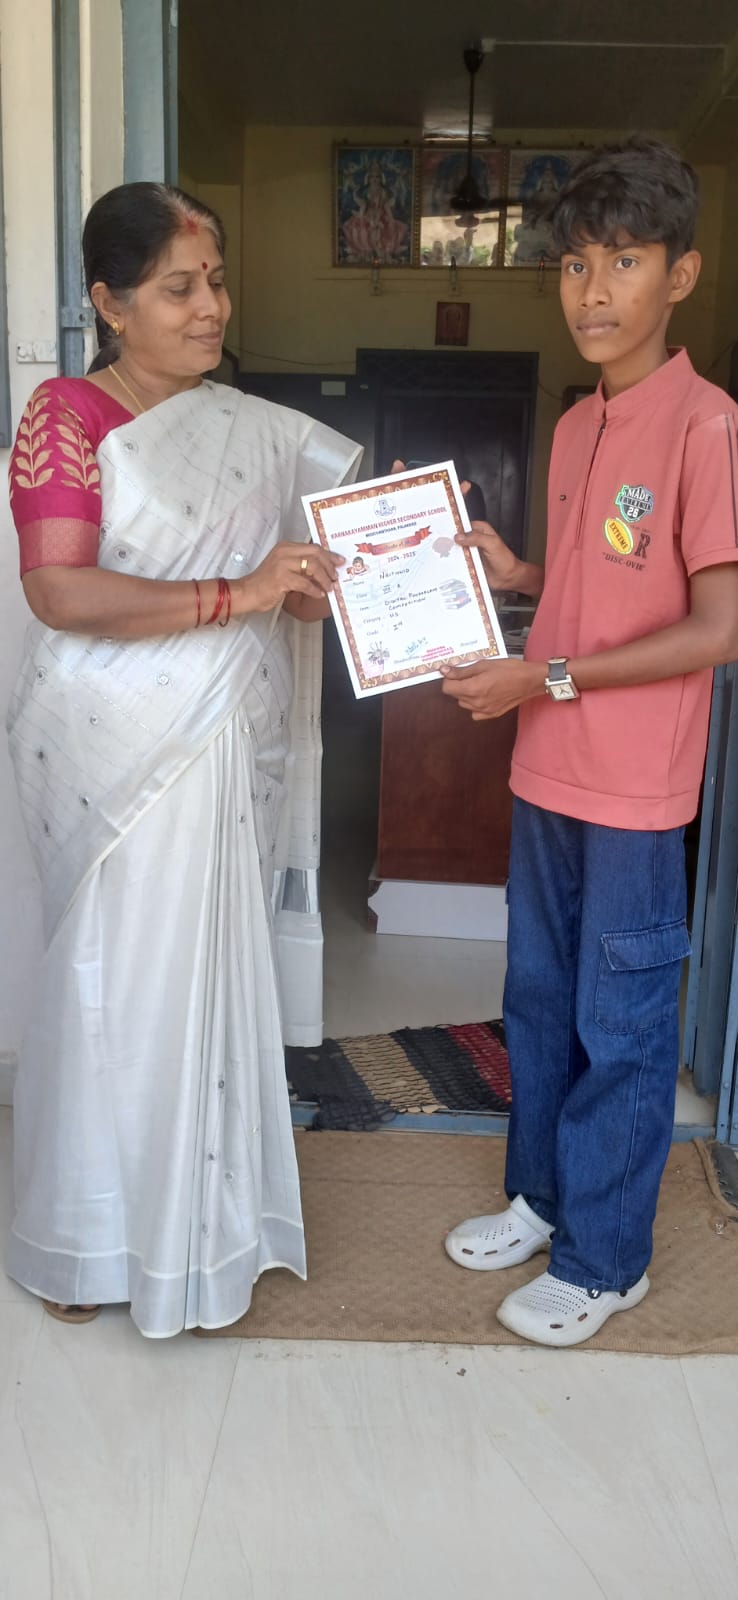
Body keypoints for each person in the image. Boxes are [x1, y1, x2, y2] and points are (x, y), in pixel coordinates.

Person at [5, 183, 360, 1336]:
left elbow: (283, 592)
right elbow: (60, 589)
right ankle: (88, 1236)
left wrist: (305, 590)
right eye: (177, 288)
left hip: (219, 736)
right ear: (109, 303)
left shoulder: (253, 432)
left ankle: (203, 1232)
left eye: (214, 282)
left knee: (203, 974)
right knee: (108, 981)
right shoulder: (67, 413)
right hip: (111, 747)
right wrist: (239, 591)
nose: (210, 307)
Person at [440, 139, 738, 1346]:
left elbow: (717, 626)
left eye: (624, 261)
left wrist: (545, 675)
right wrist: (516, 573)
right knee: (538, 998)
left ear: (681, 275)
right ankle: (544, 1197)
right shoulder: (576, 427)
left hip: (634, 790)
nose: (594, 290)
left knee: (622, 1022)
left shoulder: (707, 426)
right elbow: (594, 587)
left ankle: (608, 1258)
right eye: (575, 265)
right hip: (546, 769)